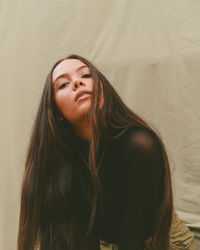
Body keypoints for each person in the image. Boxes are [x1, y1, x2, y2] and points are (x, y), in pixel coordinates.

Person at [17, 54, 196, 250]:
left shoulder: (139, 145)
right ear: (56, 112)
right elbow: (59, 236)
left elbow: (132, 236)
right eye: (63, 85)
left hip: (159, 243)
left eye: (86, 75)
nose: (78, 82)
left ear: (102, 89)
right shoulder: (57, 161)